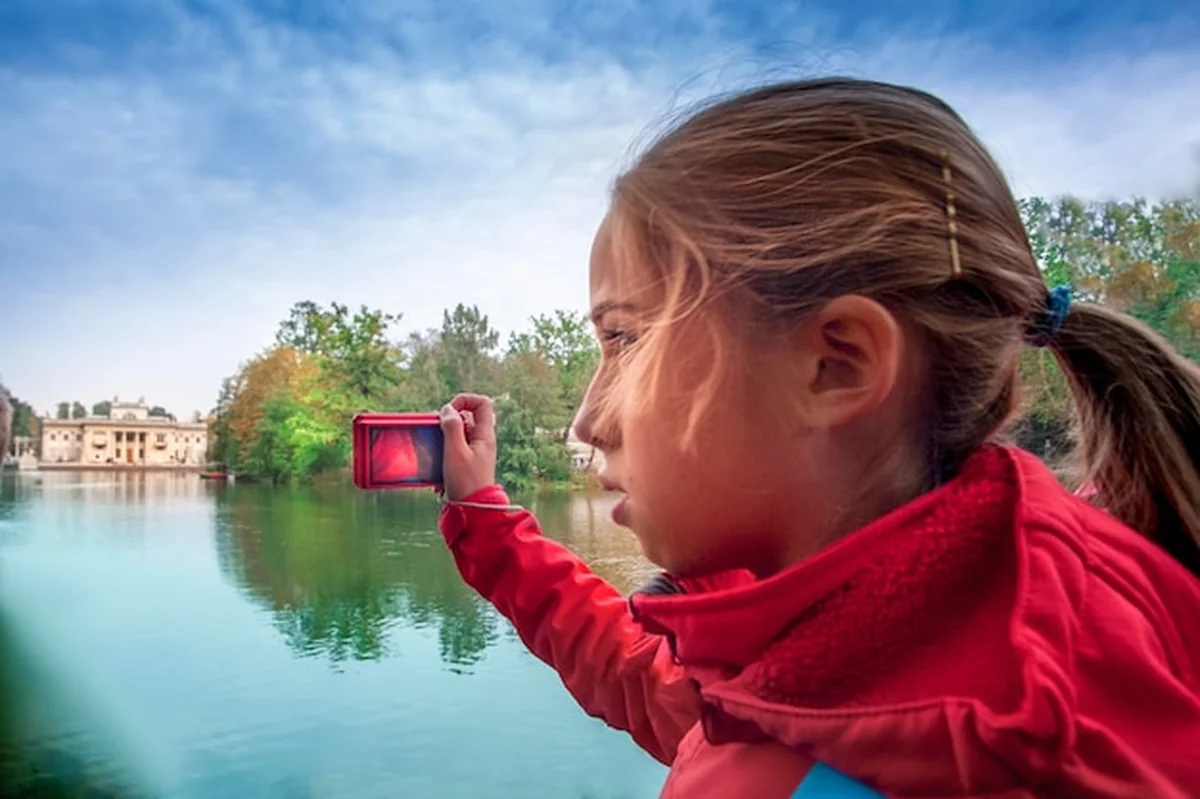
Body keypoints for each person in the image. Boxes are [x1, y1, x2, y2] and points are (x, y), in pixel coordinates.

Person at [433, 78, 1200, 798]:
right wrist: (489, 523)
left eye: (626, 339)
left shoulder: (985, 751)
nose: (588, 420)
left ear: (836, 365)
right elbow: (663, 688)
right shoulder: (821, 643)